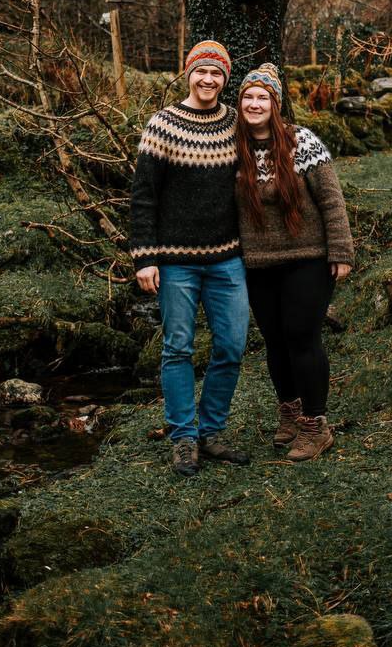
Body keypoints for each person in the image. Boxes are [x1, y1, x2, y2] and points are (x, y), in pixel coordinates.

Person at [130, 40, 250, 477]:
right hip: (175, 261)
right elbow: (144, 196)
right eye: (202, 71)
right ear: (188, 74)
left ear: (225, 79)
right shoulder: (162, 124)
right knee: (178, 348)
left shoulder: (235, 123)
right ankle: (183, 437)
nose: (208, 79)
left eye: (217, 73)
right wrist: (144, 257)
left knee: (232, 346)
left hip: (227, 259)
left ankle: (211, 432)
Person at [236, 63, 355, 461]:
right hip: (257, 263)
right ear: (239, 104)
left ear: (275, 104)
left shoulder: (301, 141)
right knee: (274, 340)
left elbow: (331, 199)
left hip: (308, 257)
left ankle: (315, 425)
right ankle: (289, 411)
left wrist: (341, 250)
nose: (255, 104)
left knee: (301, 336)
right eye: (248, 97)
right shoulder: (232, 149)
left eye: (263, 98)